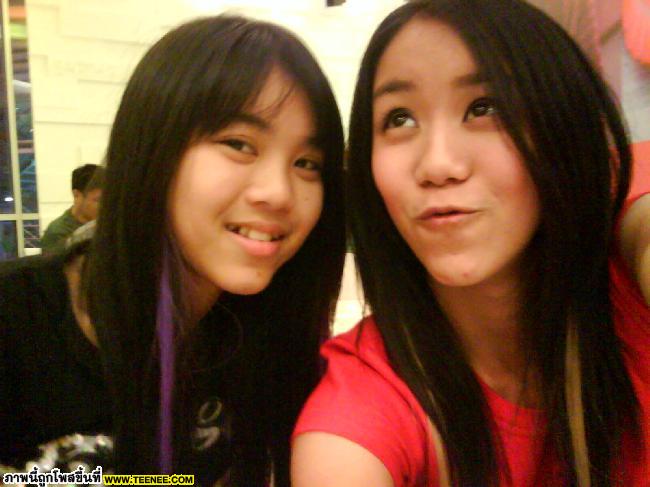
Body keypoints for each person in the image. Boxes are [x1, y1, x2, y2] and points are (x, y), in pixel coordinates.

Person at [292, 1, 650, 486]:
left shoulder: (627, 264)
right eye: (400, 119)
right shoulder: (362, 403)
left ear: (561, 123)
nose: (437, 165)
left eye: (484, 108)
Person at [0, 14, 345, 486]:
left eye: (306, 163)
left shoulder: (271, 338)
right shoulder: (16, 322)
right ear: (152, 148)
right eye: (239, 144)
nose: (280, 193)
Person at [40, 164, 104, 253]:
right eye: (98, 200)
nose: (105, 206)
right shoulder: (58, 233)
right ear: (76, 195)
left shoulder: (106, 224)